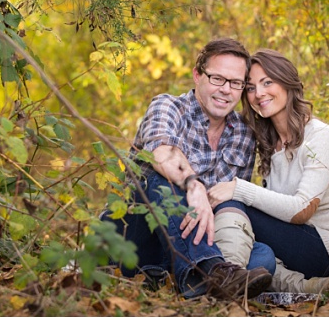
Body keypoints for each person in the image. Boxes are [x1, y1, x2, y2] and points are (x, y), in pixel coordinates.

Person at [102, 38, 273, 300]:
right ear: (197, 75)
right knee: (152, 175)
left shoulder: (244, 134)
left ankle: (181, 278)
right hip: (135, 238)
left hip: (189, 241)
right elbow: (160, 152)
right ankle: (210, 271)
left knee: (264, 257)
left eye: (236, 83)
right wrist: (193, 186)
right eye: (217, 78)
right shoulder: (168, 106)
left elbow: (230, 205)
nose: (226, 90)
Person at [206, 50, 329, 293]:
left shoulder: (320, 137)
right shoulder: (271, 146)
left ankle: (226, 278)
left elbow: (301, 210)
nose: (259, 94)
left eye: (268, 82)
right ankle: (313, 287)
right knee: (259, 257)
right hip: (299, 247)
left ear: (288, 83)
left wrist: (238, 188)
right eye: (250, 87)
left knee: (237, 202)